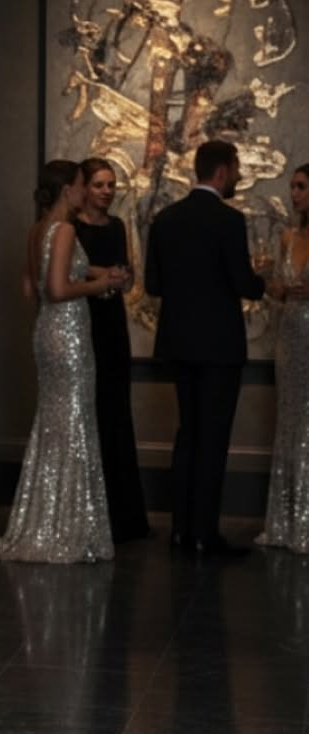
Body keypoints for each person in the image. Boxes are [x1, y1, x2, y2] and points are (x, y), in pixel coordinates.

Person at [0, 160, 123, 563]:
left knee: (55, 423)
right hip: (67, 336)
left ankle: (49, 519)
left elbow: (27, 285)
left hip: (45, 334)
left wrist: (96, 271)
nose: (87, 192)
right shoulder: (65, 228)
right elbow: (55, 288)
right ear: (69, 189)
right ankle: (66, 528)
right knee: (74, 423)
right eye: (84, 184)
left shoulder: (38, 230)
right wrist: (100, 284)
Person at [144, 139, 266, 557]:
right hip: (219, 347)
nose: (237, 177)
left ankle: (180, 530)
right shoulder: (228, 221)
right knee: (212, 440)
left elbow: (154, 286)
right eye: (235, 169)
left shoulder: (164, 219)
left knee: (188, 436)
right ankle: (204, 534)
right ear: (222, 170)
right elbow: (243, 284)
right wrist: (264, 282)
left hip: (178, 343)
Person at [73, 157, 150, 542]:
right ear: (83, 188)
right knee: (89, 412)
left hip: (112, 324)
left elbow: (128, 273)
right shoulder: (70, 228)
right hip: (82, 324)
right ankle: (88, 512)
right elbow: (66, 272)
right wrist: (103, 274)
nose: (107, 191)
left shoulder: (117, 226)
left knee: (117, 413)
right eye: (100, 184)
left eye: (110, 184)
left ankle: (124, 516)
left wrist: (120, 276)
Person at [256, 163, 309, 553]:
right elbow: (276, 291)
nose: (295, 194)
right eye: (293, 187)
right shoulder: (288, 236)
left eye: (302, 187)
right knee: (291, 420)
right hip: (291, 336)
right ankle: (289, 520)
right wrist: (271, 284)